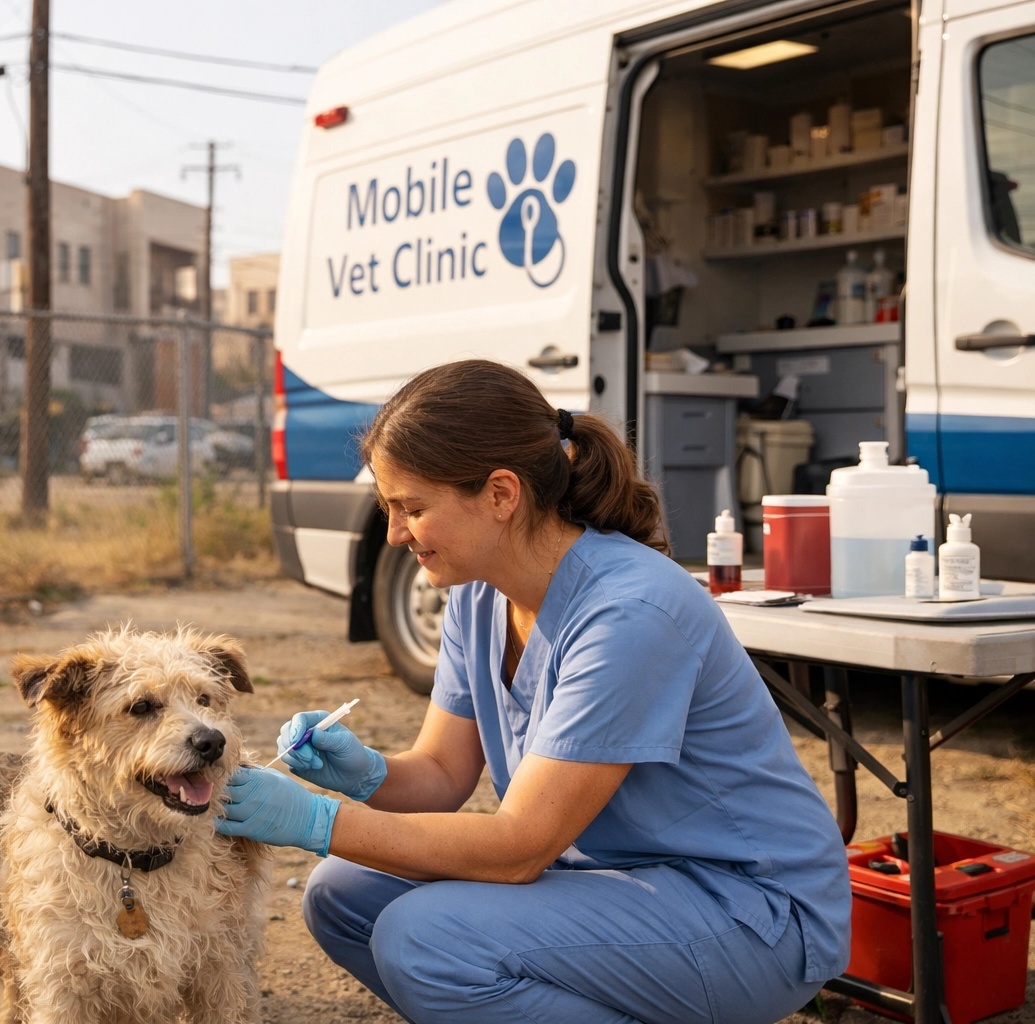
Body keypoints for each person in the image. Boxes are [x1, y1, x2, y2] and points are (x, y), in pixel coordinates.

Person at [216, 359, 851, 1024]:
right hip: (619, 880)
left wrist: (316, 821)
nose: (396, 534)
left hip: (749, 910)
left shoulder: (628, 612)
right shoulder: (477, 596)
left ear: (501, 494)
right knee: (341, 895)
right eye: (389, 510)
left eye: (413, 509)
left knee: (425, 939)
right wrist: (366, 773)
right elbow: (441, 775)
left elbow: (520, 848)